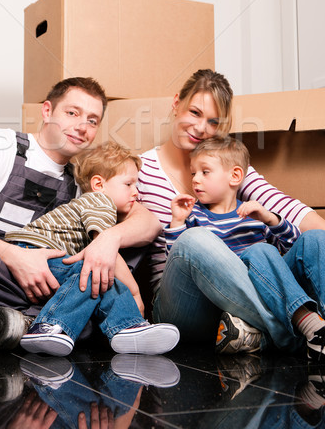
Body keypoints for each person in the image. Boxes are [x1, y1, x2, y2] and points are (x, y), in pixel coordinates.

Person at [0, 77, 161, 340]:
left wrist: (110, 238)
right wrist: (16, 257)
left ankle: (27, 325)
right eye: (72, 113)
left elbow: (149, 222)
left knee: (121, 253)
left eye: (92, 121)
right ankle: (61, 322)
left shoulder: (82, 181)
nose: (82, 127)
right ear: (47, 111)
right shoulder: (0, 144)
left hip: (44, 284)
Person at [137, 69, 325, 350]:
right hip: (185, 303)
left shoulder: (231, 169)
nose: (201, 128)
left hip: (244, 295)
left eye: (213, 122)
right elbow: (118, 217)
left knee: (312, 240)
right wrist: (109, 239)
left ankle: (306, 331)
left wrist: (277, 222)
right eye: (195, 112)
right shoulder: (141, 169)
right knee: (195, 240)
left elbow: (290, 211)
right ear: (176, 104)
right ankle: (293, 335)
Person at [0, 141, 179, 357]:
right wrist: (134, 292)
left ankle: (126, 329)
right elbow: (106, 251)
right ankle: (50, 326)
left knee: (94, 279)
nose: (136, 193)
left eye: (137, 186)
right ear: (98, 184)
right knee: (97, 272)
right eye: (129, 184)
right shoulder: (99, 202)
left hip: (38, 252)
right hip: (34, 251)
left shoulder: (90, 203)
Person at [165, 135, 325, 362]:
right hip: (232, 295)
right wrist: (177, 222)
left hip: (274, 289)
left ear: (235, 176)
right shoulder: (194, 216)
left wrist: (270, 219)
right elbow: (178, 261)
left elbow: (296, 249)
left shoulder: (254, 214)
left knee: (315, 238)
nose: (195, 180)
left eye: (205, 172)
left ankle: (320, 327)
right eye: (193, 173)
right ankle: (305, 325)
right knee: (259, 251)